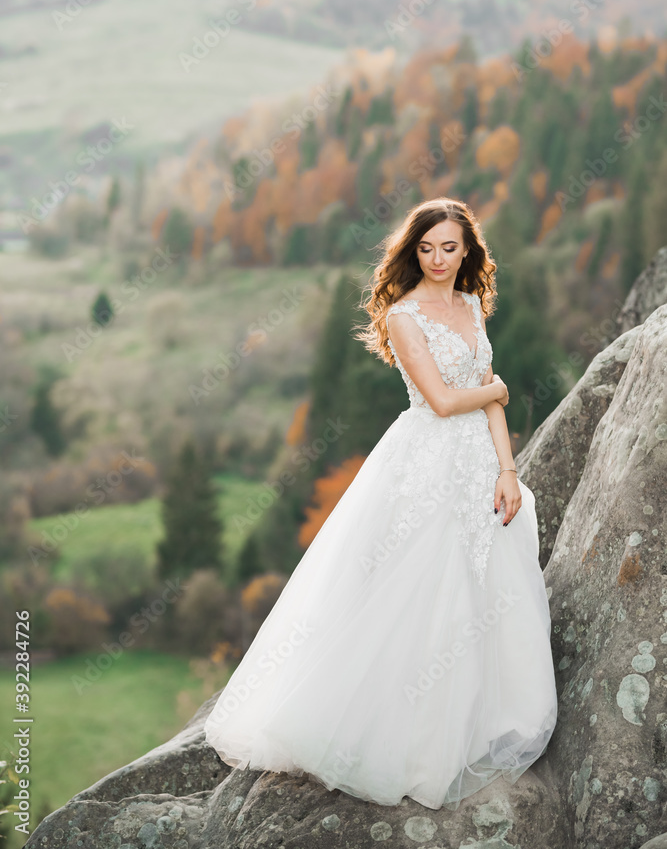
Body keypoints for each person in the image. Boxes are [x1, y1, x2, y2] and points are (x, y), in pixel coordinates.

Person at [204, 197, 558, 811]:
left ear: (468, 249)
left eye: (450, 247)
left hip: (480, 460)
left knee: (484, 585)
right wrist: (495, 388)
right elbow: (447, 401)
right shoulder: (403, 315)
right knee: (419, 588)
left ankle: (480, 720)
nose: (439, 259)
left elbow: (489, 404)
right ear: (411, 251)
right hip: (426, 461)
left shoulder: (472, 306)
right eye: (426, 248)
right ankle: (405, 739)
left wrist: (507, 469)